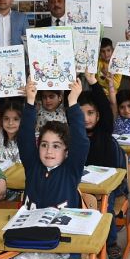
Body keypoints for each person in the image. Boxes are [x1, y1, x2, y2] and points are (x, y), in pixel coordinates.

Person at [18, 77, 88, 210]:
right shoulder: (33, 165)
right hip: (29, 228)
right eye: (44, 145)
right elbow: (24, 137)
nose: (49, 151)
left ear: (66, 151)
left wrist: (72, 102)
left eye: (56, 146)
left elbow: (81, 142)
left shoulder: (71, 170)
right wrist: (30, 101)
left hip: (63, 230)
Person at [80, 72, 128, 259]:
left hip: (107, 187)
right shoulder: (74, 135)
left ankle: (111, 243)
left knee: (103, 207)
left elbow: (106, 110)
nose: (85, 119)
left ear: (98, 115)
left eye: (90, 113)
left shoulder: (104, 130)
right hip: (83, 187)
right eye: (80, 114)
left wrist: (93, 82)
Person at [0, 85, 22, 164]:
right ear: (1, 120)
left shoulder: (26, 138)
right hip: (2, 176)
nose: (10, 123)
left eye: (15, 119)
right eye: (6, 119)